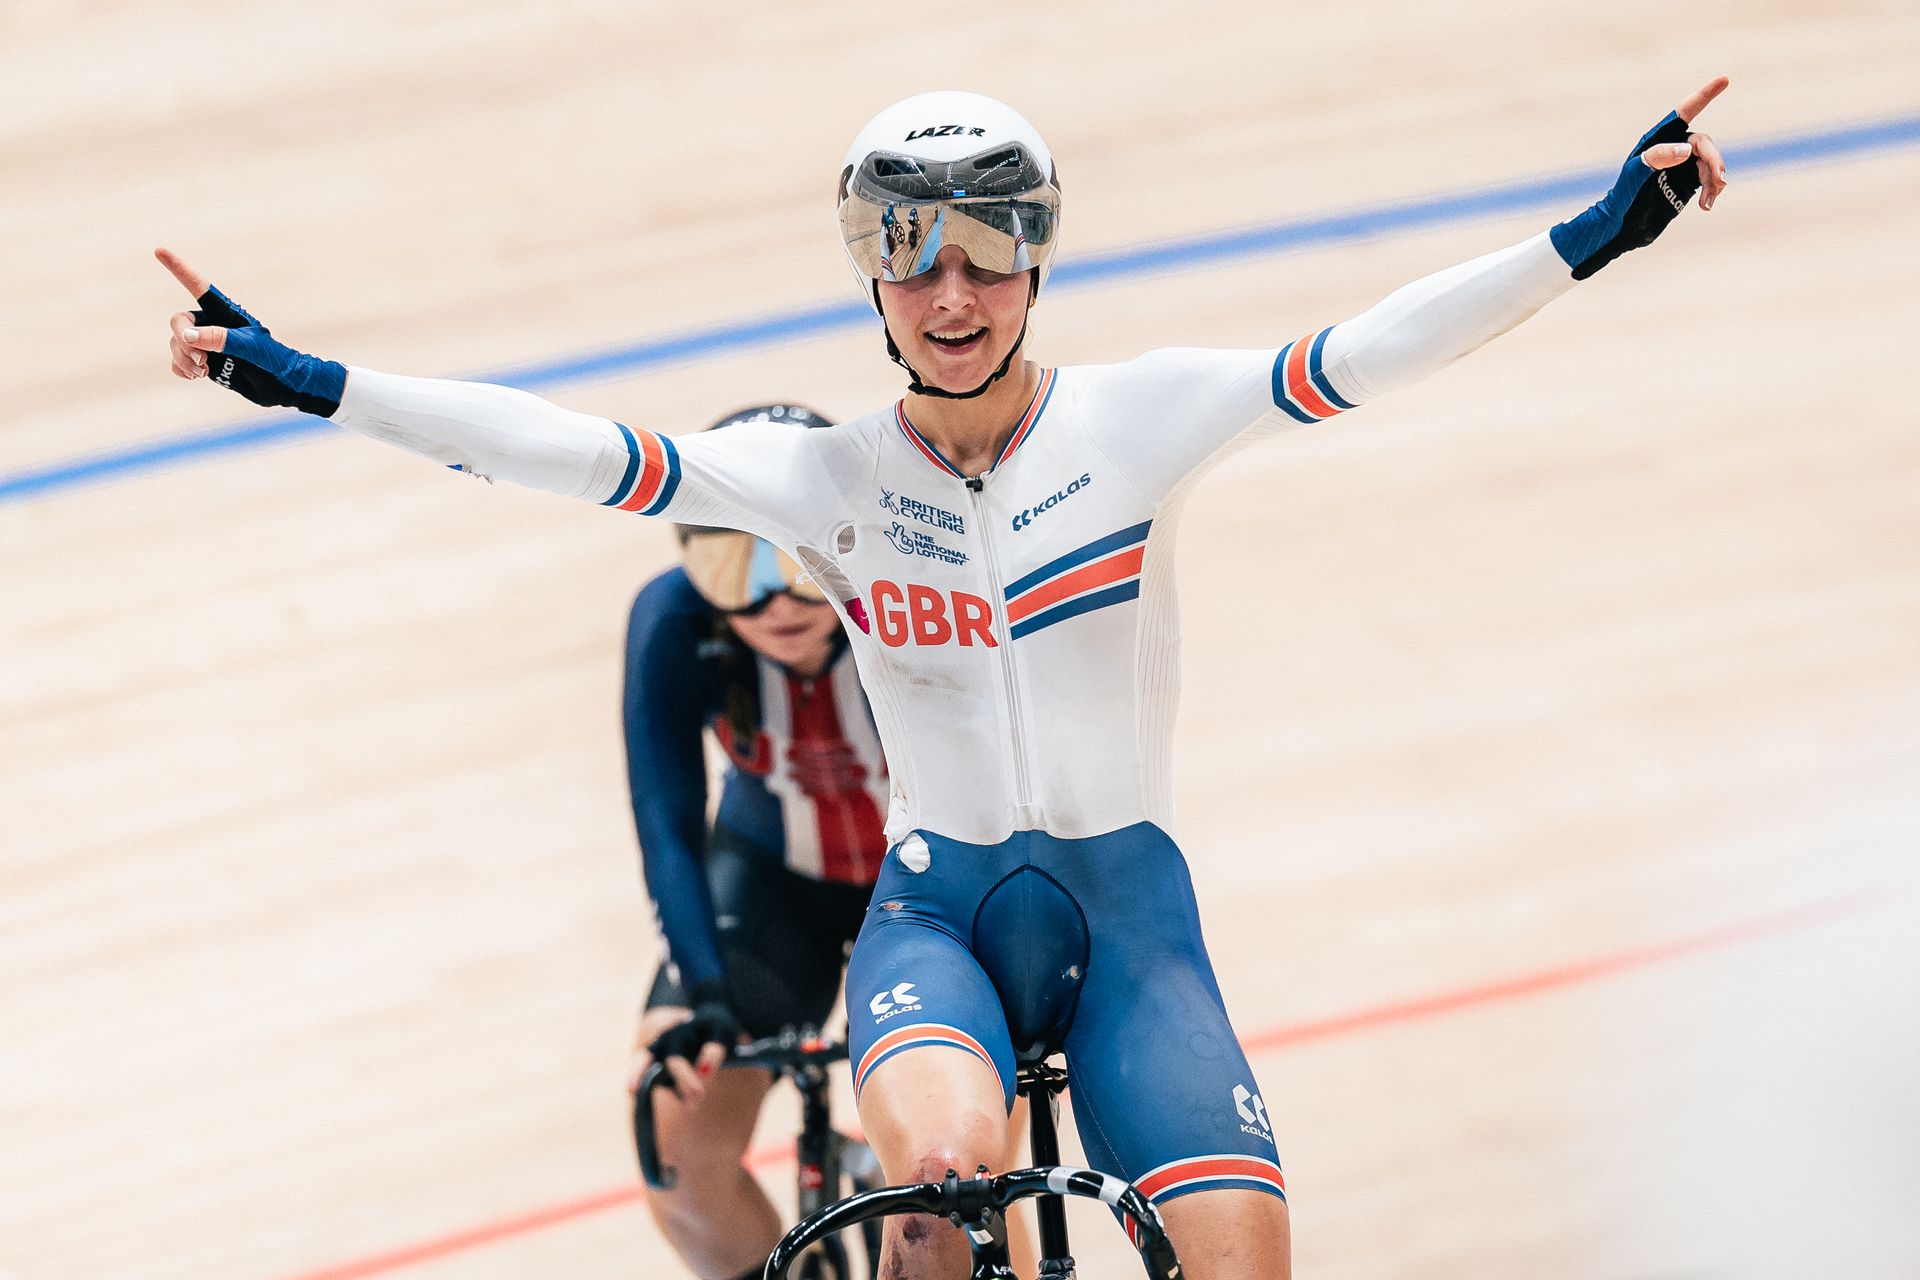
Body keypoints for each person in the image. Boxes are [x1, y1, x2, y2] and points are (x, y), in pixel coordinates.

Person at [157, 77, 1731, 1280]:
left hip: (1137, 934)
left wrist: (1596, 234)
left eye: (986, 256)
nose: (955, 297)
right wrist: (313, 382)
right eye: (914, 265)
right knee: (940, 1204)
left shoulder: (1143, 419)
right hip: (935, 927)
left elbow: (1373, 350)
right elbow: (565, 450)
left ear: (1035, 262)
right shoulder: (819, 478)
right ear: (873, 283)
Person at [621, 403, 887, 1280]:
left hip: (928, 885)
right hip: (775, 882)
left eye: (804, 560)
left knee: (958, 1165)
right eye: (734, 564)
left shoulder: (912, 590)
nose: (776, 600)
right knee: (676, 1139)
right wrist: (699, 989)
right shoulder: (674, 620)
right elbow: (665, 820)